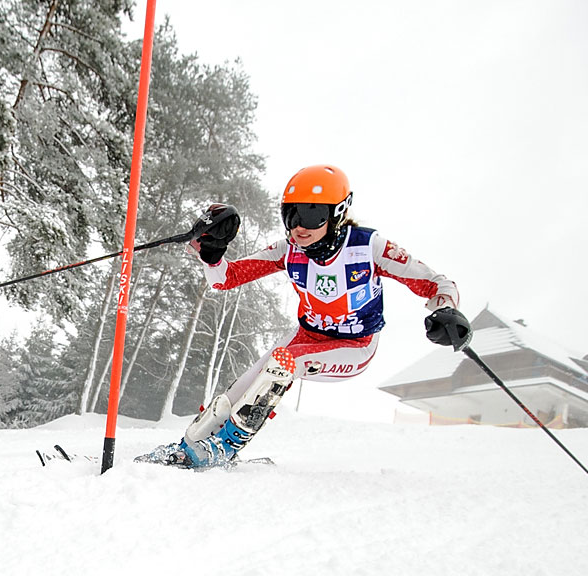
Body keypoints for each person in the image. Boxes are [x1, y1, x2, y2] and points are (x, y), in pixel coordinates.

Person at [138, 164, 472, 468]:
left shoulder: (368, 247)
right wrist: (212, 255)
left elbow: (435, 283)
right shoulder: (289, 251)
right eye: (291, 215)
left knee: (283, 363)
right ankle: (190, 445)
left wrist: (447, 310)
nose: (299, 227)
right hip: (306, 336)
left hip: (354, 345)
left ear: (338, 212)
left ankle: (224, 448)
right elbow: (227, 279)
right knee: (241, 387)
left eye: (312, 215)